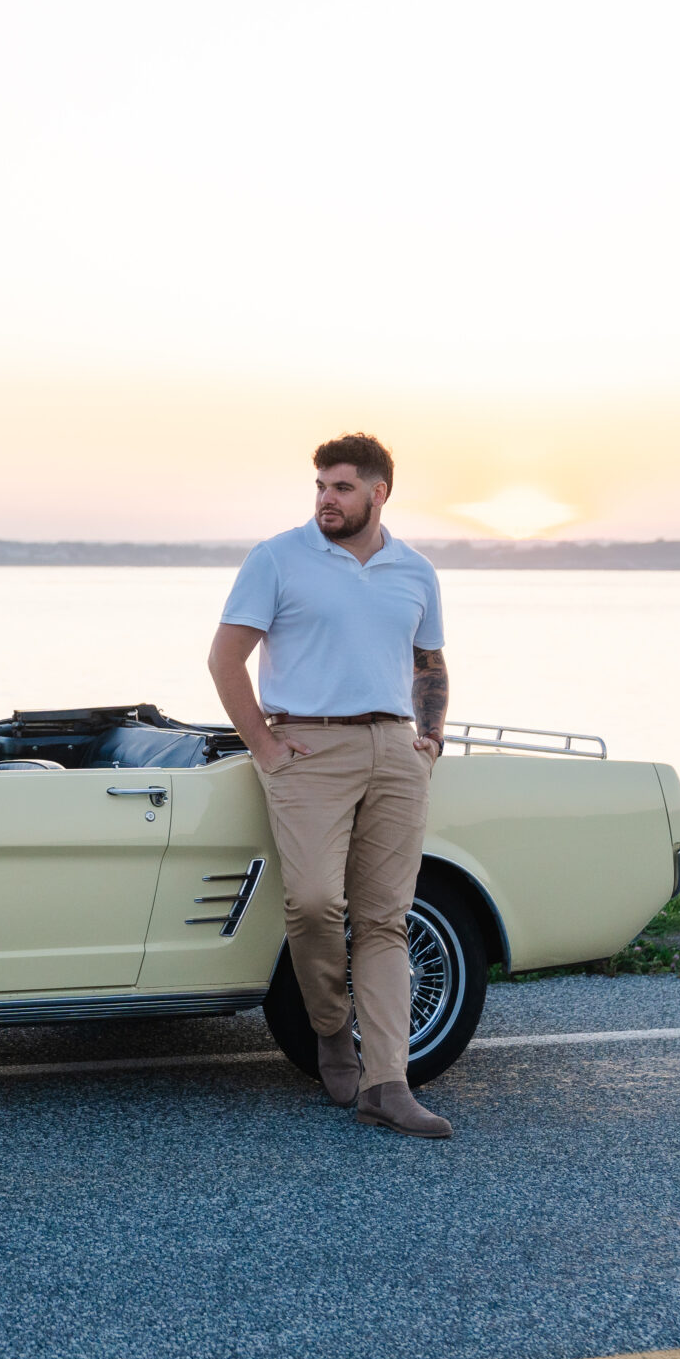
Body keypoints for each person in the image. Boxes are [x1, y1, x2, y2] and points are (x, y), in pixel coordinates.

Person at [206, 433, 455, 1139]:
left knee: (383, 921)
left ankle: (388, 1084)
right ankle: (329, 1028)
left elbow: (430, 663)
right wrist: (265, 746)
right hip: (307, 747)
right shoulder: (278, 558)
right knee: (315, 901)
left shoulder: (415, 570)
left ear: (379, 492)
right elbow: (225, 659)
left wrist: (429, 742)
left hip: (394, 749)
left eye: (342, 486)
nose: (326, 498)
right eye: (320, 484)